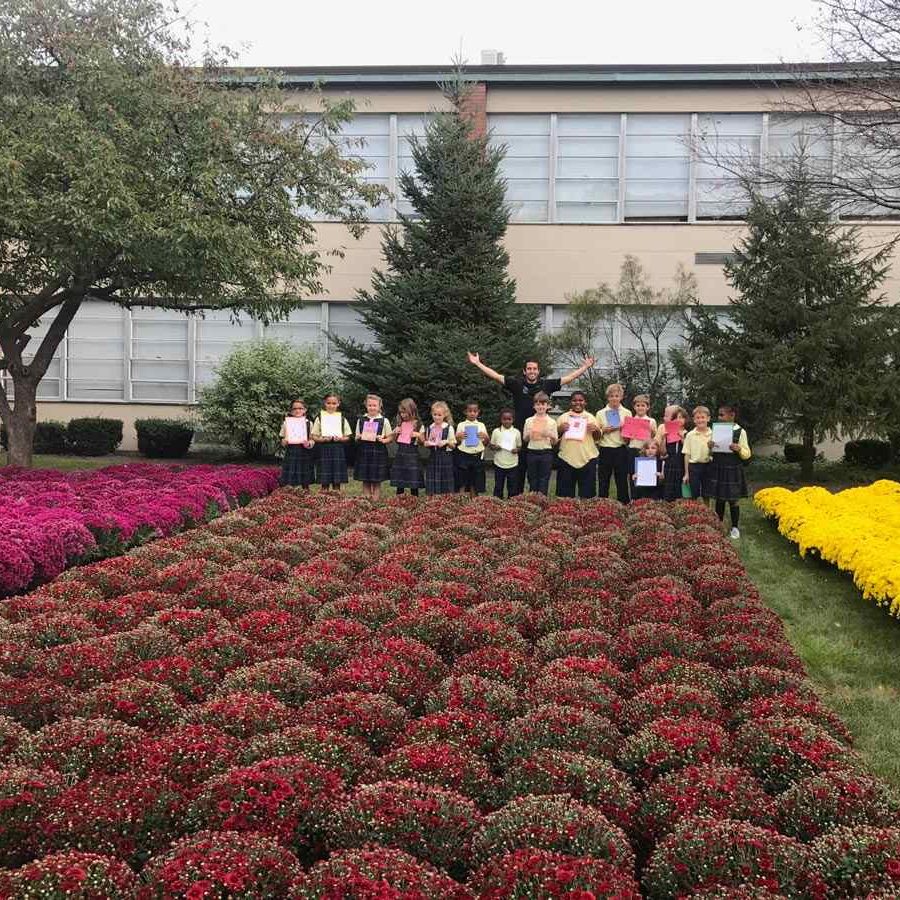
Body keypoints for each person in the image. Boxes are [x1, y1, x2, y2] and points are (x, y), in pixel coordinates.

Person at [465, 352, 595, 481]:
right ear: (524, 371)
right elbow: (496, 376)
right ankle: (519, 494)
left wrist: (585, 367)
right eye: (529, 369)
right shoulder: (517, 384)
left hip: (540, 441)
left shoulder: (546, 385)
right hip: (521, 435)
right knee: (518, 473)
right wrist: (477, 363)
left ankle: (538, 494)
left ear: (538, 371)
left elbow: (569, 378)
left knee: (538, 477)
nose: (532, 371)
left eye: (534, 369)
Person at [707, 402, 752, 538]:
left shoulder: (740, 431)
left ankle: (735, 527)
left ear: (732, 415)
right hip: (719, 467)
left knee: (733, 500)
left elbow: (747, 454)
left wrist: (739, 449)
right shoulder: (716, 430)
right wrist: (710, 447)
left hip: (733, 469)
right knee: (719, 499)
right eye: (719, 415)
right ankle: (719, 525)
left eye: (722, 415)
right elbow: (710, 453)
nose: (719, 418)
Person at [555, 391, 599, 498]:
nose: (577, 403)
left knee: (587, 497)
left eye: (580, 400)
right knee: (565, 497)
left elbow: (598, 438)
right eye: (574, 400)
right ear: (570, 402)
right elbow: (554, 438)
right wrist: (560, 429)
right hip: (566, 459)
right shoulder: (563, 417)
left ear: (585, 402)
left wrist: (596, 430)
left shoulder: (591, 417)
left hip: (587, 459)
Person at [596, 383, 632, 504]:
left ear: (621, 397)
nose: (614, 398)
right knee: (603, 480)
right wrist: (604, 430)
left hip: (621, 449)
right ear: (608, 397)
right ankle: (603, 504)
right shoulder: (600, 413)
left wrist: (623, 429)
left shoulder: (627, 413)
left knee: (622, 480)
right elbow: (596, 435)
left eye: (617, 396)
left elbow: (629, 436)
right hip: (605, 449)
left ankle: (624, 504)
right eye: (611, 396)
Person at [311, 392, 353, 492]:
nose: (331, 406)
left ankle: (336, 499)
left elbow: (348, 436)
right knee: (324, 480)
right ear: (324, 403)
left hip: (338, 449)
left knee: (337, 481)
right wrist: (323, 439)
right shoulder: (319, 418)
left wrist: (340, 439)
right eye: (328, 403)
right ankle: (323, 498)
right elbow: (314, 436)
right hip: (324, 449)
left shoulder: (342, 419)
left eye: (334, 403)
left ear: (338, 404)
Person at [354, 394, 393, 500]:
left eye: (374, 405)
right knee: (365, 478)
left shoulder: (384, 420)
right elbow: (356, 437)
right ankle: (366, 499)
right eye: (370, 405)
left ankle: (375, 500)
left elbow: (390, 437)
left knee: (377, 479)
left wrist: (383, 439)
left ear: (380, 406)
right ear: (366, 406)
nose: (372, 408)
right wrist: (359, 436)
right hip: (364, 451)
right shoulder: (361, 419)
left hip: (378, 452)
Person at [523, 391, 557, 495]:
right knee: (532, 478)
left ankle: (542, 500)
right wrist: (529, 434)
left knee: (544, 479)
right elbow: (525, 439)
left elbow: (555, 442)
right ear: (534, 406)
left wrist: (550, 435)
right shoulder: (529, 421)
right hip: (532, 452)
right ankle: (532, 500)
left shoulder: (552, 422)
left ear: (548, 406)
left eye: (543, 404)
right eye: (537, 404)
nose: (540, 407)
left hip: (546, 453)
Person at [390, 397, 425, 497]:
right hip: (401, 454)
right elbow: (395, 440)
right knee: (400, 481)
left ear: (412, 411)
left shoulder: (419, 425)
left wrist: (418, 435)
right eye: (401, 412)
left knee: (413, 480)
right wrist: (395, 433)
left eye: (405, 412)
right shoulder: (400, 424)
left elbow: (423, 442)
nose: (403, 415)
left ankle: (414, 500)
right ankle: (398, 500)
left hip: (413, 455)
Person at [421, 401, 456, 496]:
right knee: (432, 480)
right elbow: (427, 442)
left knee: (445, 480)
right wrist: (426, 443)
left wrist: (446, 442)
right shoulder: (430, 427)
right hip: (433, 457)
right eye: (435, 414)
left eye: (439, 415)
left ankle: (446, 501)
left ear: (445, 415)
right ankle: (432, 500)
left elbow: (453, 445)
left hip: (445, 458)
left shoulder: (448, 428)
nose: (437, 417)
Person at [454, 401, 489, 496]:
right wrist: (458, 437)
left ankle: (474, 500)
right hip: (463, 455)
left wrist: (486, 437)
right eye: (470, 411)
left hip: (477, 456)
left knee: (475, 481)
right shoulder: (461, 425)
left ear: (478, 412)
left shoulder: (481, 425)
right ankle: (461, 499)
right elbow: (457, 443)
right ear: (465, 412)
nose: (472, 413)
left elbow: (486, 443)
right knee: (462, 480)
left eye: (475, 411)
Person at [279, 398, 315, 489]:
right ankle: (291, 494)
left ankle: (306, 493)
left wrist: (309, 444)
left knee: (305, 478)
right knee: (291, 477)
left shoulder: (309, 424)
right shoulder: (286, 423)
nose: (297, 410)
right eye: (294, 409)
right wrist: (284, 441)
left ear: (305, 410)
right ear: (291, 411)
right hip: (291, 452)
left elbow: (312, 439)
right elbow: (282, 439)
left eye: (300, 408)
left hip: (305, 453)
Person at [682, 405, 714, 503]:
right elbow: (687, 455)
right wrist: (686, 474)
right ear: (694, 420)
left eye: (703, 417)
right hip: (694, 466)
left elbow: (716, 452)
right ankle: (694, 510)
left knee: (707, 493)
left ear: (708, 418)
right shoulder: (690, 435)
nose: (700, 420)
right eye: (698, 418)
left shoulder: (713, 434)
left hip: (708, 465)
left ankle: (707, 510)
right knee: (693, 493)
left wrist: (711, 449)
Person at [490, 408, 522, 499]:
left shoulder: (516, 432)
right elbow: (491, 445)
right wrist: (495, 447)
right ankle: (497, 502)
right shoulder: (496, 431)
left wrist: (516, 450)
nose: (507, 421)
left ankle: (511, 502)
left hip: (513, 464)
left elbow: (519, 446)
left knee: (512, 486)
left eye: (509, 419)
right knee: (498, 486)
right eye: (504, 419)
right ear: (501, 420)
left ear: (513, 420)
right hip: (499, 463)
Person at [658, 405, 688, 502]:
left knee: (680, 491)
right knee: (668, 491)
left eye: (681, 417)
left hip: (681, 465)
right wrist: (663, 439)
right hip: (669, 465)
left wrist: (682, 438)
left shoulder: (688, 434)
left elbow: (688, 451)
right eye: (676, 418)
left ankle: (679, 507)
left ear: (685, 420)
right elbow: (663, 452)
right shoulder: (668, 433)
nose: (678, 420)